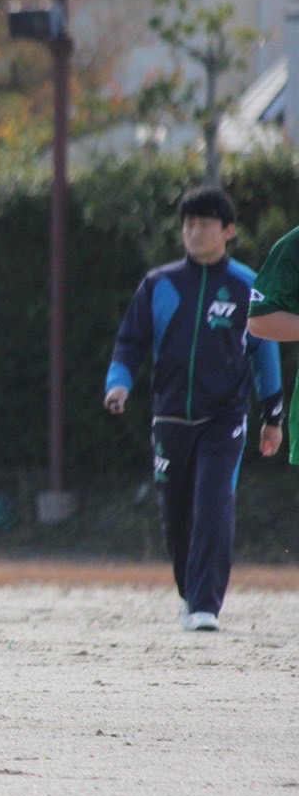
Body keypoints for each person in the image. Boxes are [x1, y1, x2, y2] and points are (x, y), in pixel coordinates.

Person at [106, 185, 282, 633]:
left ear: (228, 231)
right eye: (188, 224)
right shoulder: (158, 284)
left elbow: (265, 354)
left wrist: (273, 417)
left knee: (213, 503)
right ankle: (190, 593)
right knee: (177, 515)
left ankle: (206, 604)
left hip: (225, 418)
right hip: (169, 417)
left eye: (204, 224)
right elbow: (131, 343)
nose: (194, 232)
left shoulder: (248, 286)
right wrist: (119, 385)